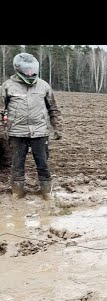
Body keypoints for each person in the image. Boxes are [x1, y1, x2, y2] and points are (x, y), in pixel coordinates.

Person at [0, 52, 63, 200]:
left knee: (43, 163)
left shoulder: (43, 86)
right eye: (27, 69)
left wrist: (58, 127)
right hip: (16, 133)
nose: (30, 72)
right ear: (18, 69)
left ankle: (46, 191)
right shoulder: (8, 86)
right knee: (17, 164)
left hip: (40, 133)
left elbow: (53, 108)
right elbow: (0, 110)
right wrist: (2, 130)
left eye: (32, 69)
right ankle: (17, 192)